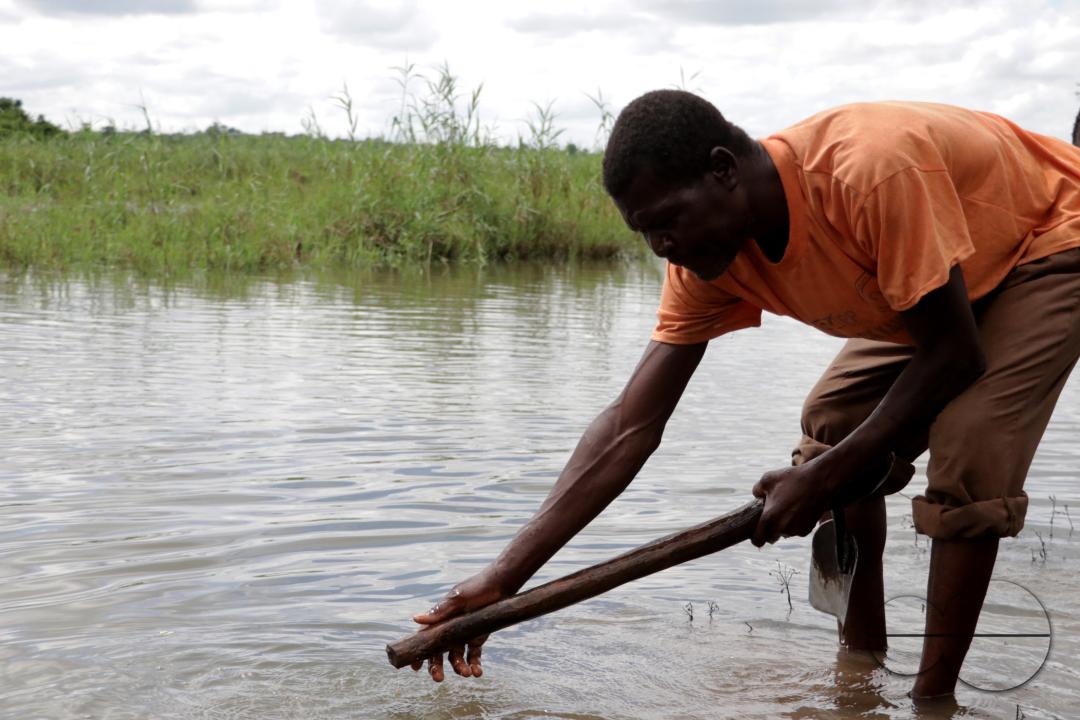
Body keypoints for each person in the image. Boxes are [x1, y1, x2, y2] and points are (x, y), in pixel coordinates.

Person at [406, 91, 1080, 700]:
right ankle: (861, 669)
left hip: (1048, 237)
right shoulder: (701, 257)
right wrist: (505, 576)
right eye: (645, 233)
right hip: (947, 279)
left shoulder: (865, 173)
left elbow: (954, 353)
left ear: (724, 170)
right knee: (833, 426)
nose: (661, 247)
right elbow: (627, 428)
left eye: (667, 220)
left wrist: (823, 480)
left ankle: (932, 702)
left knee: (969, 451)